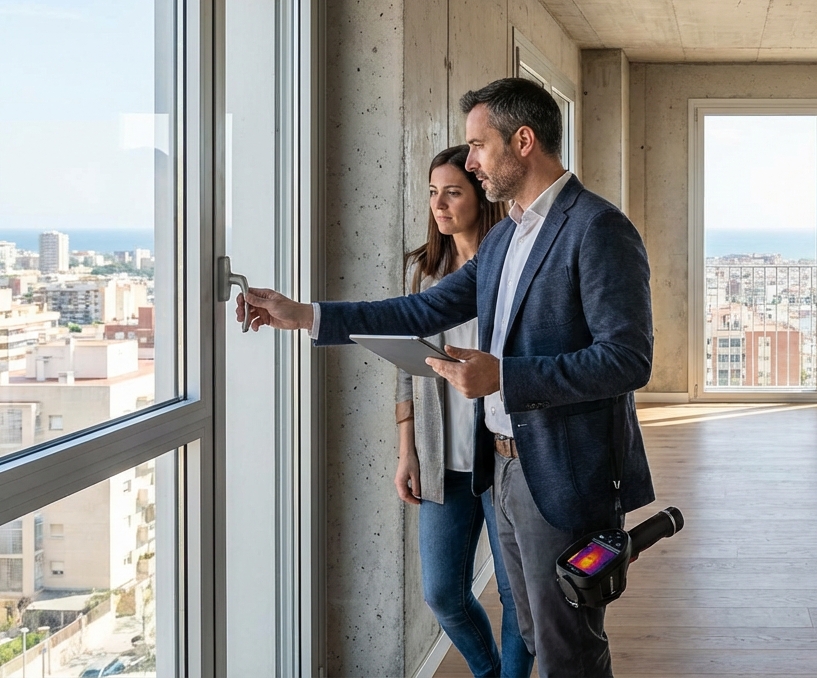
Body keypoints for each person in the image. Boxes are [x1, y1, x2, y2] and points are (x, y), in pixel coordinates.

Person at [237, 77, 654, 678]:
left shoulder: (596, 228)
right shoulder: (508, 234)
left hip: (564, 474)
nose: (473, 160)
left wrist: (504, 377)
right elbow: (422, 311)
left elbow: (627, 359)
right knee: (536, 630)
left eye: (479, 146)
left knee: (570, 647)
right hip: (505, 469)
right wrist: (306, 315)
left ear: (524, 141)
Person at [397, 144, 531, 678]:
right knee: (442, 594)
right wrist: (407, 451)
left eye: (453, 192)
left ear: (480, 195)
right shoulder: (423, 273)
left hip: (502, 456)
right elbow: (407, 367)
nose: (440, 204)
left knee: (517, 598)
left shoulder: (513, 265)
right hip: (439, 455)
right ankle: (489, 672)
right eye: (433, 192)